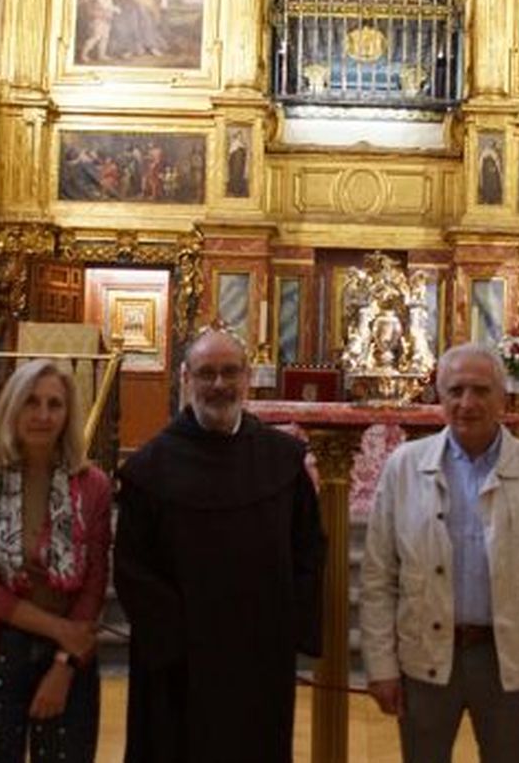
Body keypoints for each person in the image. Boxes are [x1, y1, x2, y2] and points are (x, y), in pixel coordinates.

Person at [358, 341, 519, 763]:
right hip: (424, 656)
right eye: (455, 390)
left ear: (502, 397)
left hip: (506, 660)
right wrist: (382, 666)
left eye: (481, 390)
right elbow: (378, 577)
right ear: (439, 397)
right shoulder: (405, 466)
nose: (467, 403)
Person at [115, 326, 325, 763]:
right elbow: (134, 569)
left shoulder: (282, 460)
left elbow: (308, 549)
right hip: (179, 669)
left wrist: (289, 626)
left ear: (247, 378)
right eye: (206, 373)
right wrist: (185, 638)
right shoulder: (150, 468)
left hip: (260, 661)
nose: (219, 384)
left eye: (230, 372)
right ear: (186, 379)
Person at [0, 359, 112, 762]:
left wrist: (64, 662)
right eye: (31, 402)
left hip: (68, 660)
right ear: (12, 406)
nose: (42, 415)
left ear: (68, 413)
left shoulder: (91, 485)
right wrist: (62, 630)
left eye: (54, 405)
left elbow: (94, 582)